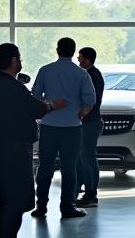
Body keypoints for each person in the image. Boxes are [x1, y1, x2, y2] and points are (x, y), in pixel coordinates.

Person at [0, 42, 67, 238]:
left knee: (4, 200)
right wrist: (52, 105)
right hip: (16, 151)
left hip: (1, 149)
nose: (21, 62)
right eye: (19, 57)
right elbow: (35, 109)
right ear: (12, 61)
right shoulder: (13, 87)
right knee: (15, 201)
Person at [31, 38, 96, 219]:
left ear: (57, 50)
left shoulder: (45, 70)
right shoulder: (82, 74)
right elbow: (90, 100)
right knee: (70, 168)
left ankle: (41, 207)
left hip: (49, 126)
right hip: (72, 128)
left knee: (45, 167)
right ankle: (67, 207)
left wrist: (49, 104)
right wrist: (81, 112)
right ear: (73, 52)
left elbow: (35, 96)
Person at [76, 46, 105, 207]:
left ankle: (91, 194)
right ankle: (83, 190)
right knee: (83, 157)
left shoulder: (92, 76)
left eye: (80, 58)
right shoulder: (90, 74)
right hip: (88, 122)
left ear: (87, 59)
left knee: (88, 157)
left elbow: (91, 101)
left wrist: (81, 113)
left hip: (89, 122)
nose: (78, 60)